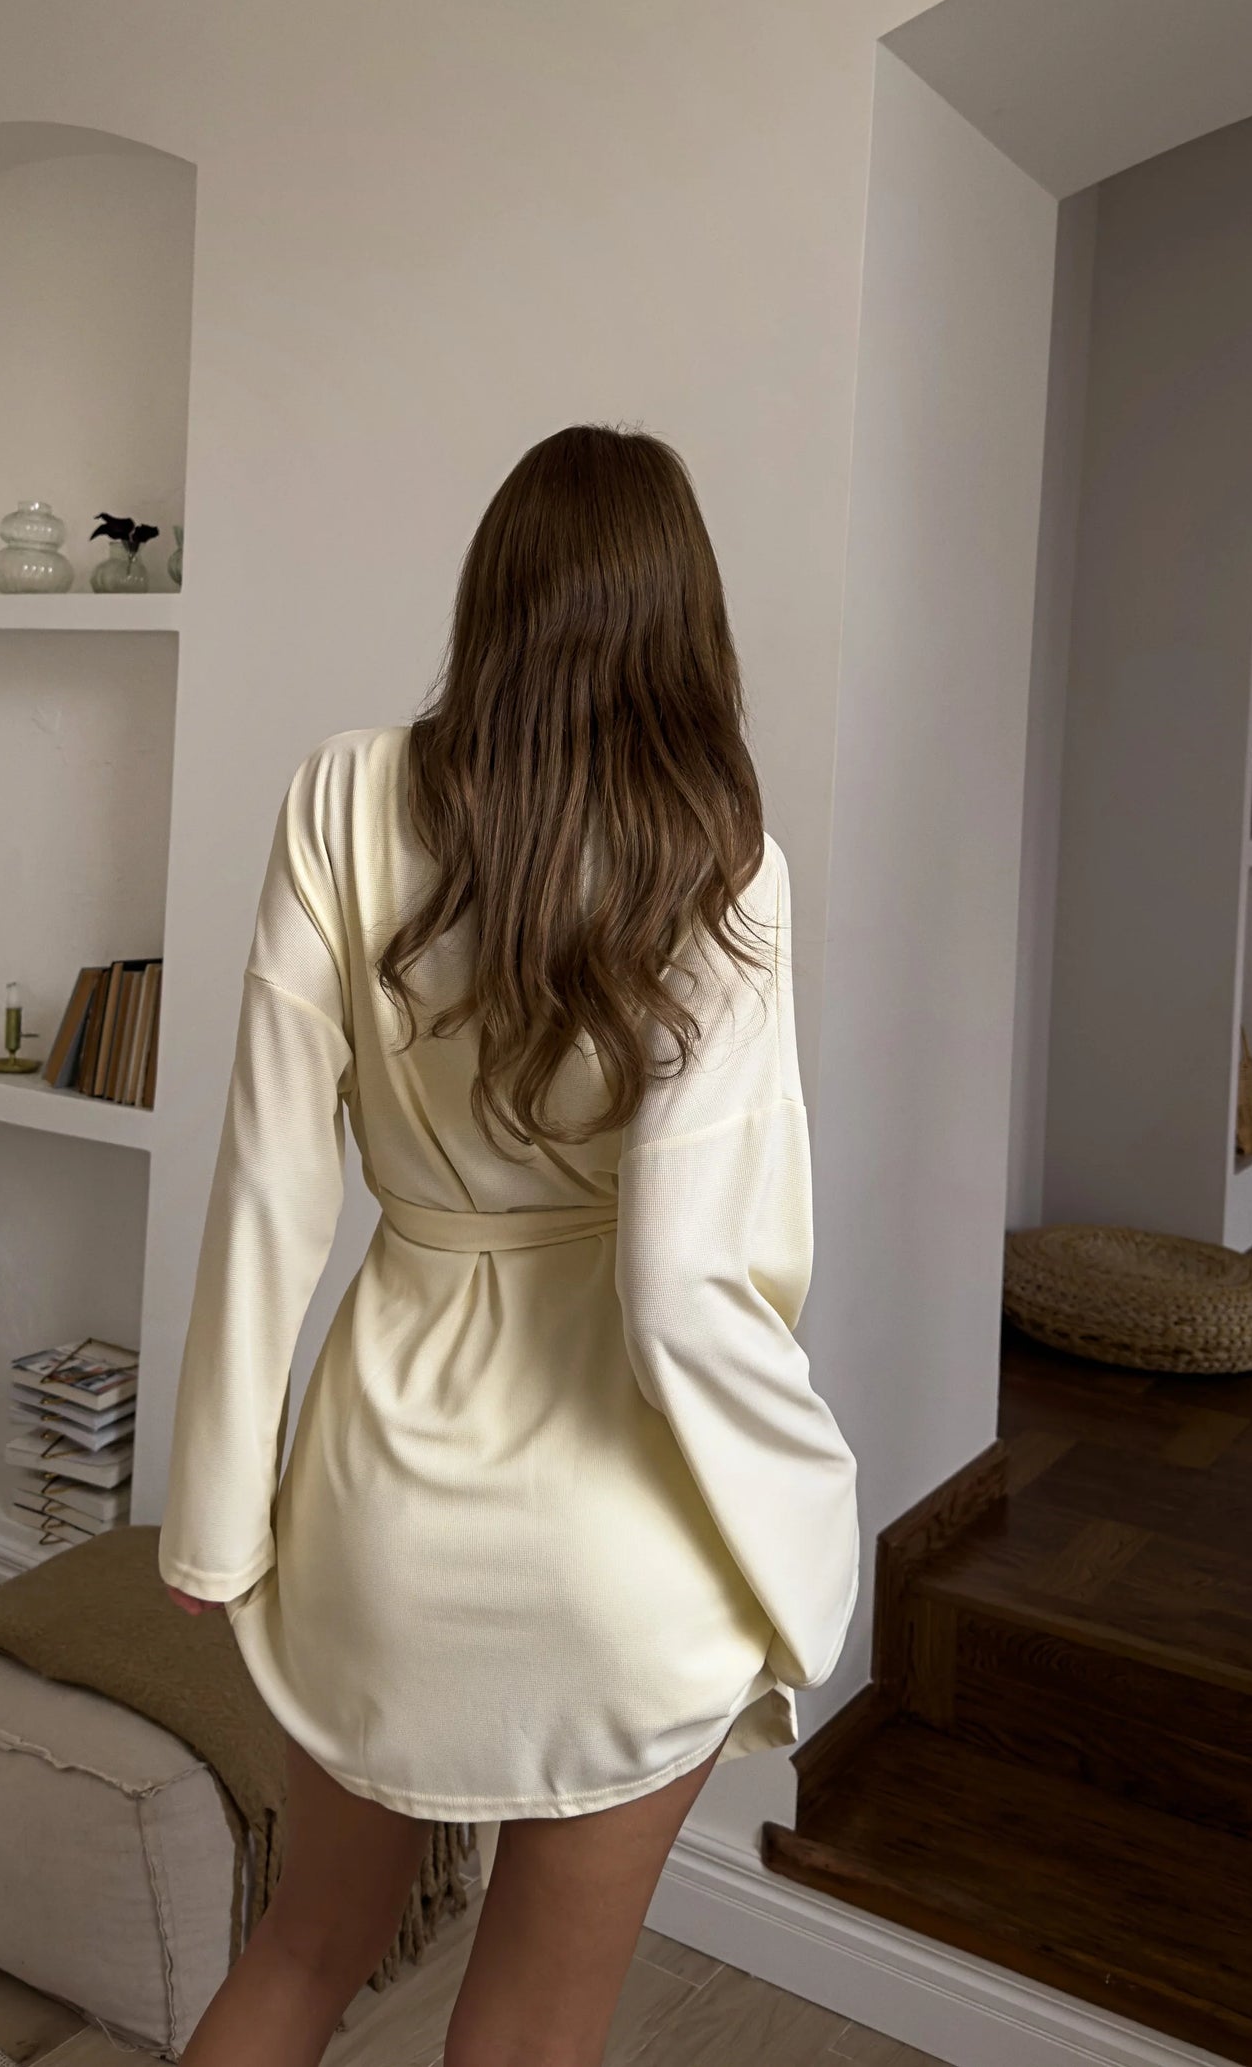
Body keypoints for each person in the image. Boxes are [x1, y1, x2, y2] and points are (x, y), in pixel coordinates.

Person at [159, 424, 860, 2067]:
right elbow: (686, 1281)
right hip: (622, 1539)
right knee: (534, 2032)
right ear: (686, 621)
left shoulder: (341, 793)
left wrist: (213, 1520)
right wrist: (804, 1509)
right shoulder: (722, 859)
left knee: (301, 1953)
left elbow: (269, 1181)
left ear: (491, 593)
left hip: (382, 1498)